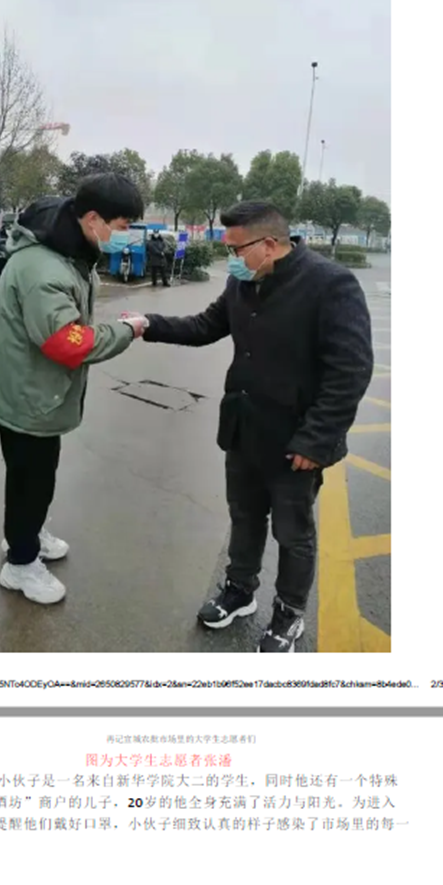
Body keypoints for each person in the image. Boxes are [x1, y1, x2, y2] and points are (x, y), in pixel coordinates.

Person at [133, 201, 373, 652]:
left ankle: (289, 613)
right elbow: (205, 325)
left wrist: (317, 440)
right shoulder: (242, 282)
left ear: (269, 244)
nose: (231, 259)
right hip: (243, 429)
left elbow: (351, 370)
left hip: (296, 442)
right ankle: (239, 590)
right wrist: (150, 324)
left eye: (236, 249)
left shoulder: (330, 285)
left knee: (293, 534)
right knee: (244, 517)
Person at [0, 174, 149, 606]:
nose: (125, 235)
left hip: (24, 382)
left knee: (31, 473)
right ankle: (21, 562)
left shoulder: (68, 246)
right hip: (24, 392)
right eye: (122, 227)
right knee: (32, 478)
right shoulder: (45, 268)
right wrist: (126, 331)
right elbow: (67, 342)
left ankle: (25, 533)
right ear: (93, 218)